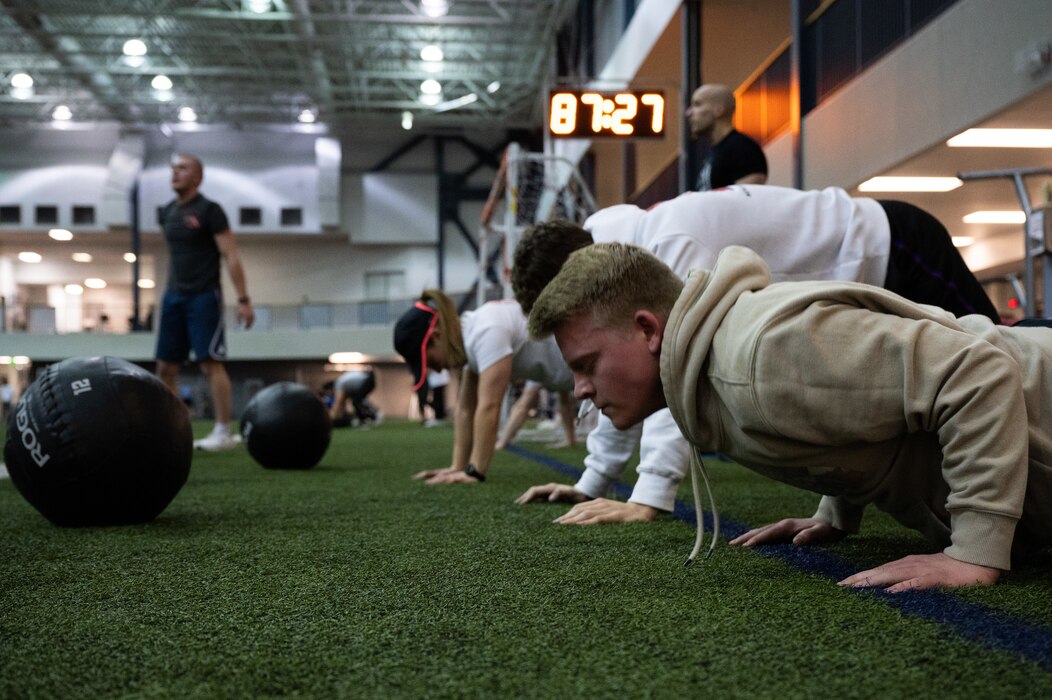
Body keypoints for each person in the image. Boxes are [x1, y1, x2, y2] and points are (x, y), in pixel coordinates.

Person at [528, 241, 1052, 591]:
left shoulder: (760, 355)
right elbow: (860, 413)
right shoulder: (719, 372)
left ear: (647, 330)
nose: (580, 389)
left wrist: (975, 552)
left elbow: (978, 373)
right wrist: (837, 510)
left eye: (586, 364)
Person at [513, 184, 1001, 525]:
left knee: (998, 356)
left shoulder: (671, 244)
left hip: (893, 244)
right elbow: (623, 374)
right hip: (868, 268)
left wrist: (650, 496)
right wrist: (592, 481)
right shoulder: (625, 252)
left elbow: (670, 370)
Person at [393, 290, 576, 484]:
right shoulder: (472, 338)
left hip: (584, 367)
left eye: (429, 361)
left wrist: (475, 472)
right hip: (573, 373)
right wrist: (457, 467)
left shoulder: (485, 330)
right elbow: (465, 410)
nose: (435, 370)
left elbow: (489, 405)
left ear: (436, 336)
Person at [155, 153, 254, 451]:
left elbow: (231, 255)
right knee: (164, 369)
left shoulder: (210, 210)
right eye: (173, 168)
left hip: (204, 296)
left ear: (197, 177)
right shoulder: (167, 212)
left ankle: (223, 431)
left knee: (210, 364)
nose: (175, 173)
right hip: (173, 296)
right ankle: (176, 429)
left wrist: (243, 299)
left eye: (182, 168)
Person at [685, 84, 768, 191]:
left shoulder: (743, 149)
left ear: (718, 110)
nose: (688, 113)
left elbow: (747, 199)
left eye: (697, 104)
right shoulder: (715, 152)